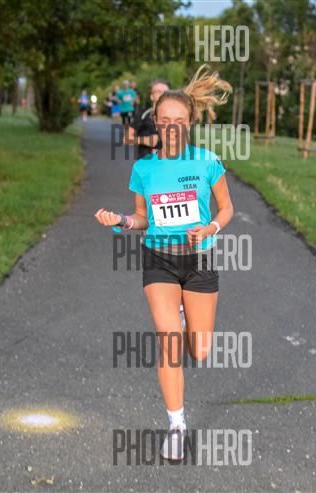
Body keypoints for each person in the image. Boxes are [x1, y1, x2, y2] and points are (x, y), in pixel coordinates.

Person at [94, 65, 233, 461]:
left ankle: (188, 319)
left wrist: (210, 228)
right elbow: (143, 219)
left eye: (179, 121)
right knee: (169, 341)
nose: (172, 126)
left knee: (199, 351)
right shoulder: (144, 168)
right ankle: (176, 425)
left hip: (199, 261)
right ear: (156, 121)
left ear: (189, 123)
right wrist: (121, 221)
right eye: (165, 120)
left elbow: (227, 209)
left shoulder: (207, 162)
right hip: (159, 260)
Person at [123, 79, 170, 159]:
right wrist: (145, 140)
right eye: (159, 91)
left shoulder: (175, 116)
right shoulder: (143, 115)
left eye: (166, 92)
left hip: (168, 162)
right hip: (146, 162)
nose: (163, 94)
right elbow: (126, 139)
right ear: (151, 96)